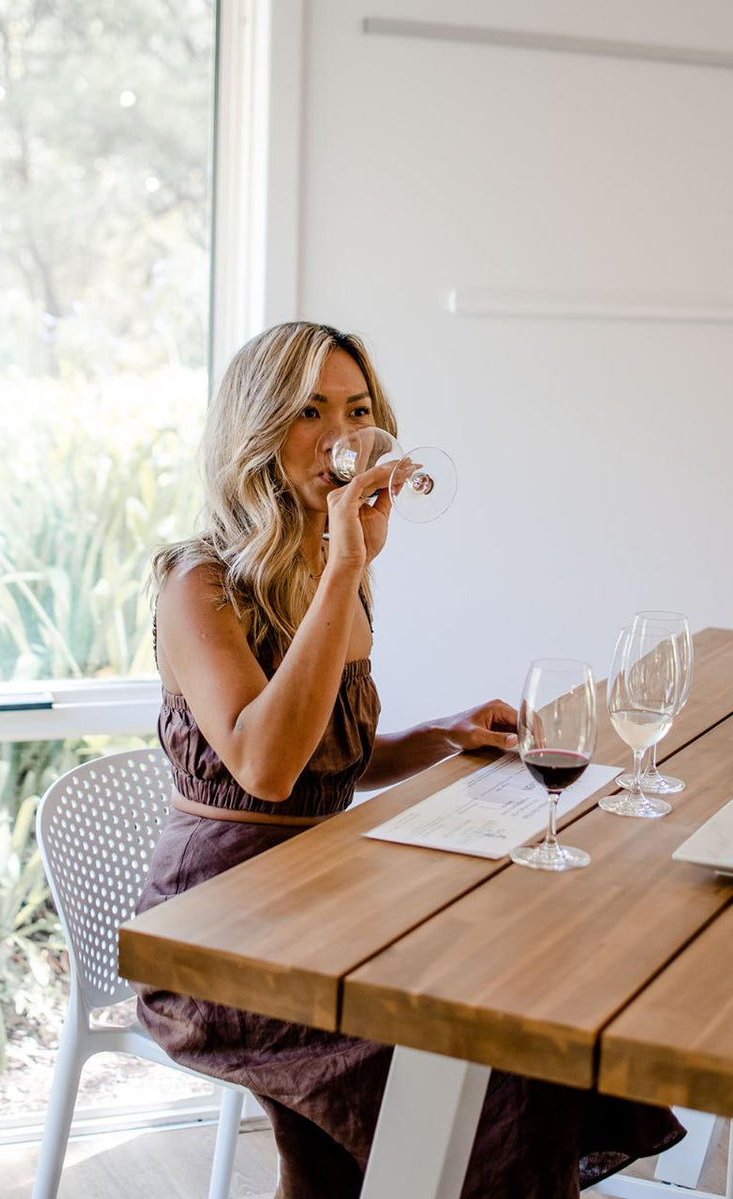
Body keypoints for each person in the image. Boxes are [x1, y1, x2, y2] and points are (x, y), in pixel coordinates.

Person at [133, 321, 683, 1198]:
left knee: (509, 1017)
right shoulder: (200, 582)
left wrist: (441, 733)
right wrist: (346, 561)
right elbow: (266, 769)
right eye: (309, 410)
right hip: (216, 930)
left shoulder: (328, 572)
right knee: (472, 1068)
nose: (340, 435)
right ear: (260, 427)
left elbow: (327, 764)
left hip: (320, 891)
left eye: (357, 410)